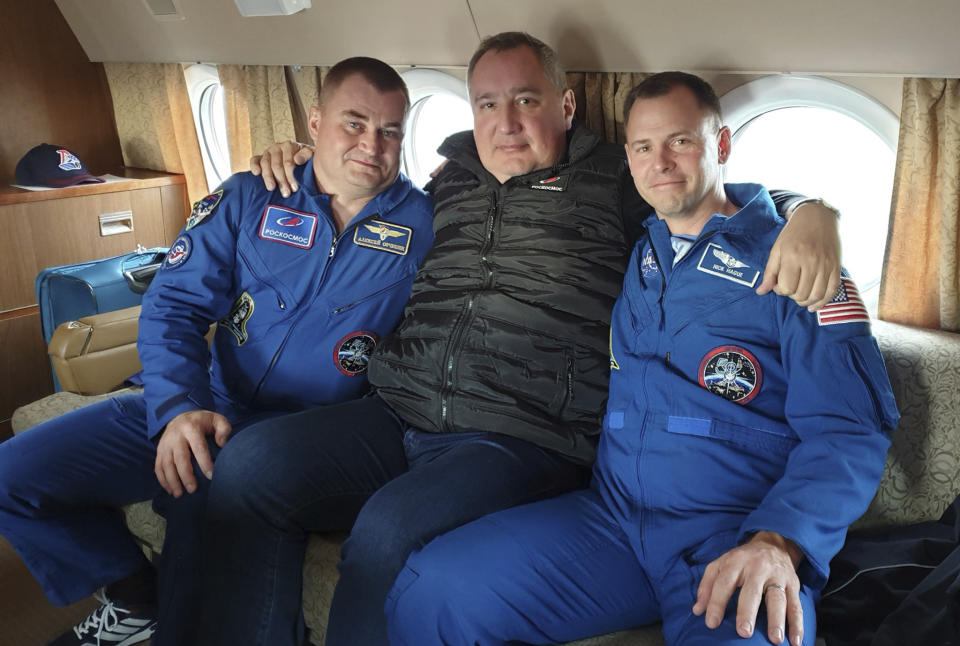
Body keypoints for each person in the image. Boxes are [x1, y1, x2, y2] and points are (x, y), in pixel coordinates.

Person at [200, 33, 846, 646]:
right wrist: (296, 156)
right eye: (487, 104)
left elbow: (699, 194)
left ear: (565, 106)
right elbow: (359, 197)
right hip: (400, 406)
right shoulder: (448, 180)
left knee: (389, 529)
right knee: (246, 467)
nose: (506, 122)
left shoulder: (616, 185)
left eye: (527, 101)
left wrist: (813, 211)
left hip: (519, 432)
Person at [383, 71, 899, 646]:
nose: (662, 163)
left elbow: (849, 432)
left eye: (681, 141)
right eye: (644, 147)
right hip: (614, 523)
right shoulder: (639, 246)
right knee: (433, 589)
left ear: (722, 145)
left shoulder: (797, 267)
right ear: (628, 158)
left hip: (732, 539)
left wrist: (779, 542)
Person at [0, 56, 433, 646]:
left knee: (203, 500)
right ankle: (133, 595)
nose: (372, 145)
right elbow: (174, 305)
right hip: (203, 395)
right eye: (353, 123)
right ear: (313, 121)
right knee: (14, 475)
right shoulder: (253, 193)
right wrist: (178, 407)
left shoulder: (428, 227)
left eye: (390, 130)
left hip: (298, 436)